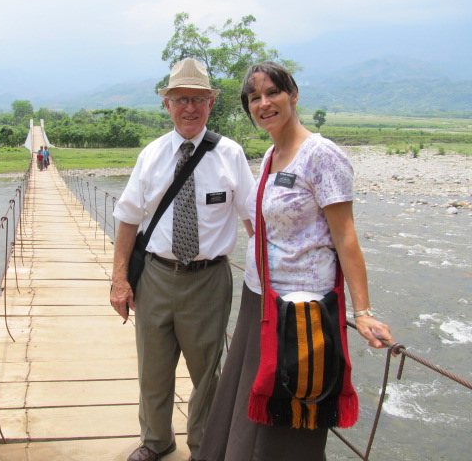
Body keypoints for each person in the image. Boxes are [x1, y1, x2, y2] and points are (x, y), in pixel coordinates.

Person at [197, 61, 396, 461]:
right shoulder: (271, 155)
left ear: (294, 95)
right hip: (262, 298)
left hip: (303, 312)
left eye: (273, 93)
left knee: (290, 408)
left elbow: (345, 236)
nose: (264, 103)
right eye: (255, 98)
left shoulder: (322, 156)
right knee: (251, 398)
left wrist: (364, 310)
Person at [110, 58, 255, 461]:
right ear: (167, 105)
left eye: (197, 99)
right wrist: (120, 281)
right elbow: (127, 219)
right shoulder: (152, 155)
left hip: (209, 280)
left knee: (207, 374)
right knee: (153, 370)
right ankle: (156, 442)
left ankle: (203, 449)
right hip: (154, 276)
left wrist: (273, 277)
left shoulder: (231, 155)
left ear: (211, 103)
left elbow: (253, 220)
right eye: (180, 100)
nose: (189, 108)